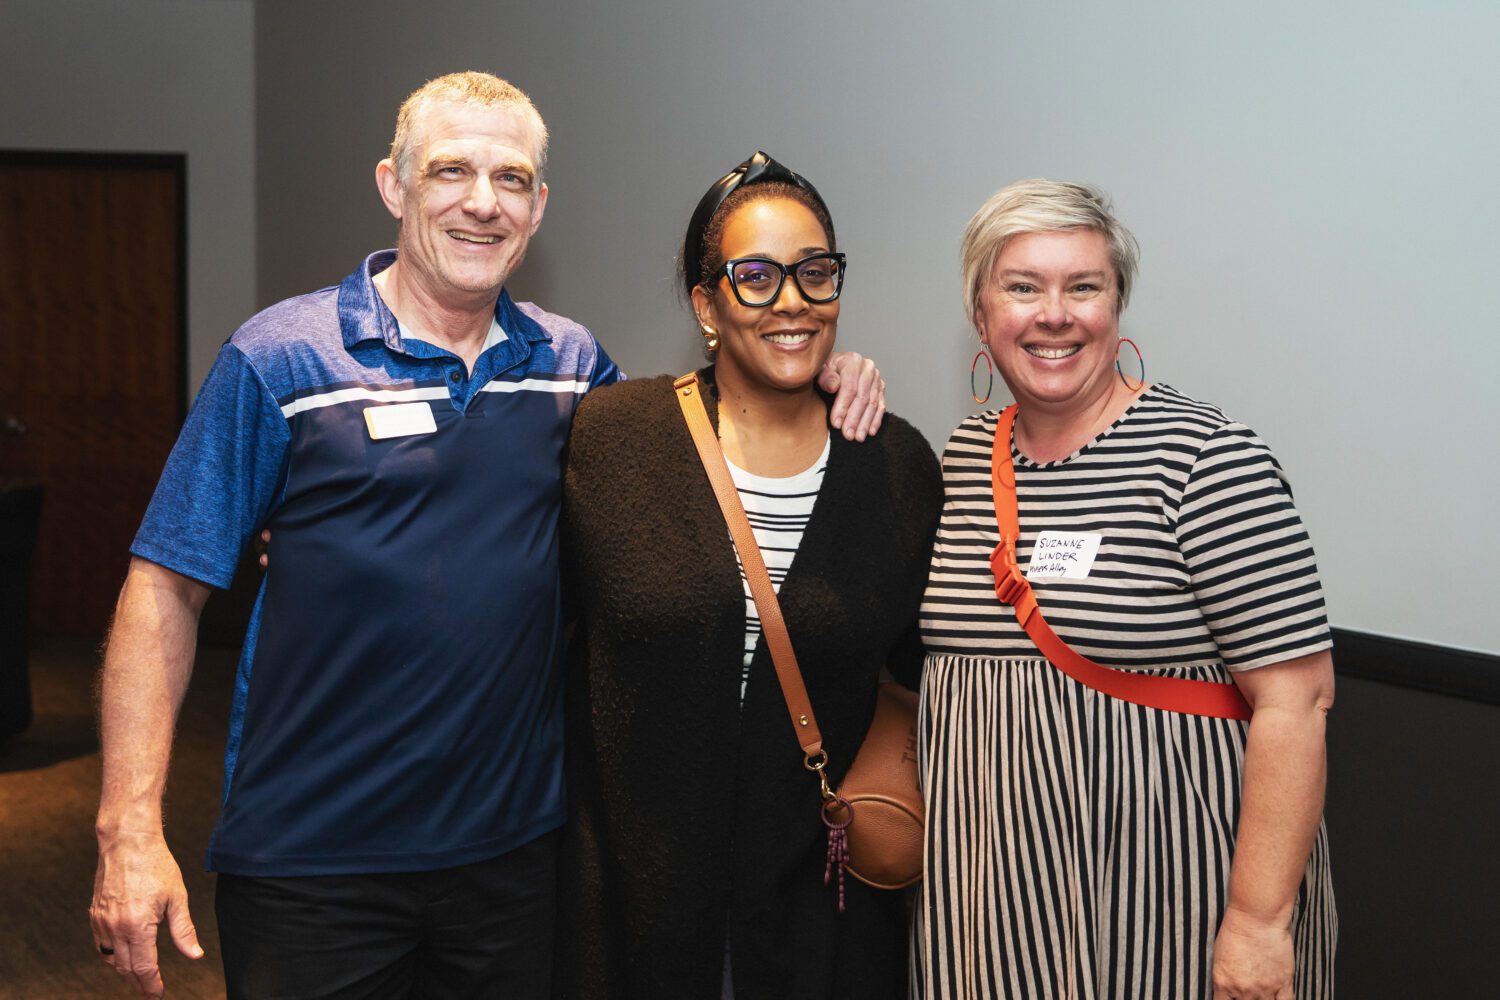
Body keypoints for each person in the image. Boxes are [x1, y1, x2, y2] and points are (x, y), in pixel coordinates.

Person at [88, 76, 884, 1000]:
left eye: (511, 179)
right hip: (312, 865)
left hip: (513, 868)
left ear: (538, 207)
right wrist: (128, 830)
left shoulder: (572, 366)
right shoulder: (282, 357)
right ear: (393, 185)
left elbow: (701, 440)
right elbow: (163, 588)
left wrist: (816, 372)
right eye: (451, 171)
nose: (482, 202)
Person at [916, 179, 1337, 999]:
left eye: (1084, 286)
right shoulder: (962, 460)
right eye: (1022, 286)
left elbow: (1297, 700)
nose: (1055, 313)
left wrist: (1256, 925)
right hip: (992, 905)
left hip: (1174, 899)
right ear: (980, 315)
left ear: (1117, 307)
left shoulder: (1207, 460)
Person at [554, 152, 942, 999]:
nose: (792, 299)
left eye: (815, 272)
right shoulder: (616, 439)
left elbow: (929, 666)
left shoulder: (896, 464)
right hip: (632, 899)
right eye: (756, 277)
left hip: (820, 911)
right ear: (706, 304)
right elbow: (527, 607)